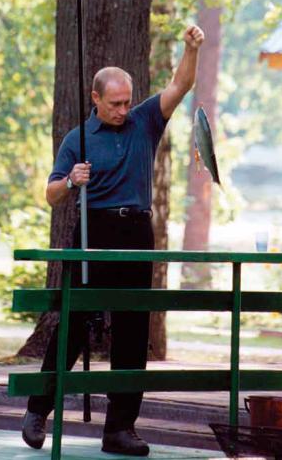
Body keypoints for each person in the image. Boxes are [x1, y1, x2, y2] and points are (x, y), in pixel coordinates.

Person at [22, 25, 205, 456]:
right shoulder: (77, 139)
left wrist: (191, 48)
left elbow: (181, 83)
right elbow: (51, 195)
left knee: (132, 329)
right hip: (93, 232)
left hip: (137, 233)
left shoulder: (145, 120)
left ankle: (119, 429)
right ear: (96, 99)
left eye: (127, 101)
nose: (124, 110)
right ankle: (37, 410)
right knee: (73, 325)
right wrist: (71, 180)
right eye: (116, 103)